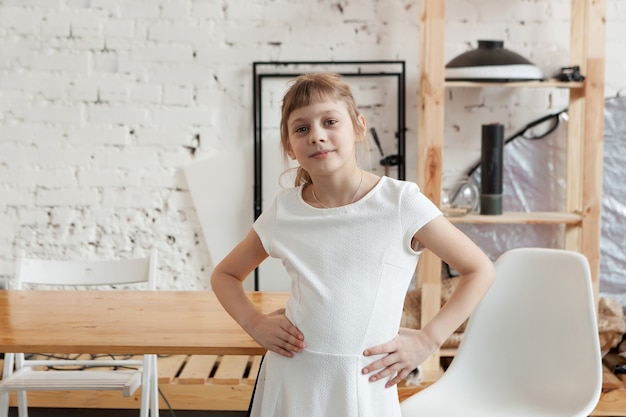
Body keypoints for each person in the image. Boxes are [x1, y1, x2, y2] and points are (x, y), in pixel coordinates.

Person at [210, 72, 494, 417]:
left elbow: (479, 269)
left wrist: (427, 340)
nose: (316, 135)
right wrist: (254, 324)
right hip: (292, 379)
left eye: (330, 121)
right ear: (289, 146)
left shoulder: (400, 203)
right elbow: (225, 275)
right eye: (301, 129)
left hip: (363, 383)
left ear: (358, 128)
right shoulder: (284, 212)